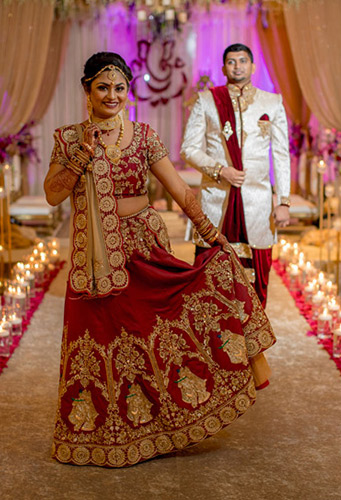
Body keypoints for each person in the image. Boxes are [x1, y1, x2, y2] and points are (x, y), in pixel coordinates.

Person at [44, 52, 275, 468]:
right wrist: (82, 154)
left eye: (119, 88)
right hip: (92, 256)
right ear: (87, 90)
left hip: (142, 247)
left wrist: (211, 233)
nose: (111, 96)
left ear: (127, 91)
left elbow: (180, 190)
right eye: (102, 87)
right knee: (100, 336)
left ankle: (159, 423)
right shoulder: (68, 138)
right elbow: (54, 193)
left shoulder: (144, 136)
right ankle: (102, 431)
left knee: (151, 330)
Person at [181, 43, 291, 307]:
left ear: (252, 66)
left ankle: (254, 335)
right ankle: (211, 333)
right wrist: (220, 170)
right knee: (209, 273)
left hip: (258, 201)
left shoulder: (272, 102)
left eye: (243, 61)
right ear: (224, 68)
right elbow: (188, 148)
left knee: (257, 275)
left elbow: (281, 154)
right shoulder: (207, 100)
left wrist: (284, 202)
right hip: (217, 199)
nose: (237, 66)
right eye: (232, 61)